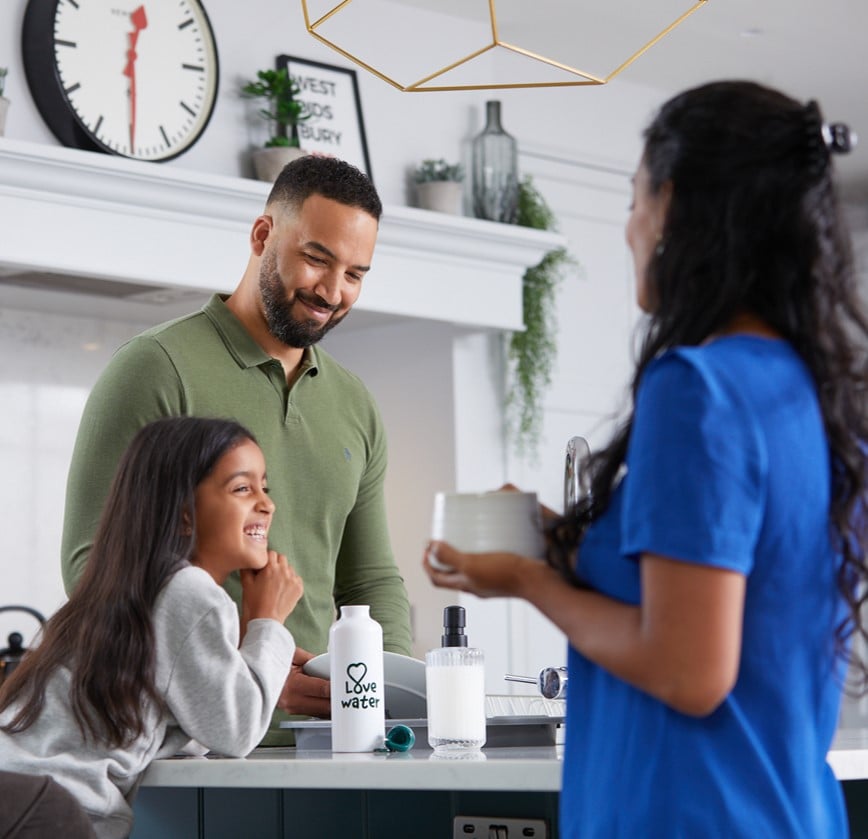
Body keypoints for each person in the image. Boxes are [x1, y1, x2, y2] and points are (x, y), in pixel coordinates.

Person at [424, 80, 868, 837]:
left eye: (635, 198)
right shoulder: (813, 397)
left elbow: (688, 670)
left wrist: (528, 578)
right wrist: (556, 538)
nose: (629, 226)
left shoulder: (697, 388)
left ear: (676, 209)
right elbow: (711, 593)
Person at [60, 155, 413, 741]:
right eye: (317, 259)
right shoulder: (155, 367)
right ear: (262, 235)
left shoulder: (356, 405)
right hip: (191, 746)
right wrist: (251, 670)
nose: (333, 290)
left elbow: (370, 580)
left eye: (355, 274)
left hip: (334, 742)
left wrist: (391, 694)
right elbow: (91, 565)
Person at [0, 416, 304, 838]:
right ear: (183, 515)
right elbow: (237, 732)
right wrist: (269, 620)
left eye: (264, 488)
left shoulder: (125, 589)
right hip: (47, 811)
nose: (267, 504)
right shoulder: (187, 590)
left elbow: (198, 724)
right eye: (242, 488)